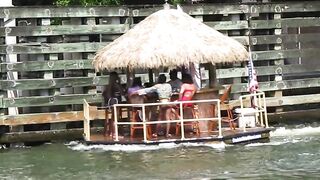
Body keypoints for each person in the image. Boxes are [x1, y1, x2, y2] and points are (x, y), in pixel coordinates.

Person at [102, 71, 123, 137]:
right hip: (115, 103)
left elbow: (104, 94)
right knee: (115, 118)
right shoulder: (116, 85)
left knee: (113, 117)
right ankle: (114, 133)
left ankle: (111, 132)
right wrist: (119, 82)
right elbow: (122, 92)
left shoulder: (108, 86)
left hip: (109, 103)